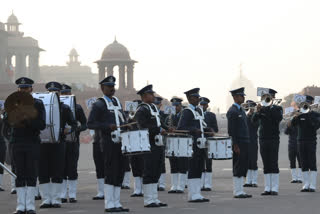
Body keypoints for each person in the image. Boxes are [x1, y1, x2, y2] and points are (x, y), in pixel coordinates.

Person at [87, 76, 129, 212]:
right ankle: (109, 203)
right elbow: (91, 123)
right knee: (111, 171)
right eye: (108, 86)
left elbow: (121, 119)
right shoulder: (99, 104)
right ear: (102, 88)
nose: (112, 89)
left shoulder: (116, 101)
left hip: (121, 142)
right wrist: (107, 126)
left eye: (113, 86)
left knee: (120, 171)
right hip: (108, 142)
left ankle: (117, 202)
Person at [7, 77, 46, 214]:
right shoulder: (11, 104)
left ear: (31, 89)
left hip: (32, 142)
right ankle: (20, 206)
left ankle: (29, 206)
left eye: (26, 88)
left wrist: (27, 119)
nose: (23, 90)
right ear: (18, 89)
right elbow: (6, 124)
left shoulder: (38, 104)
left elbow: (42, 125)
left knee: (31, 173)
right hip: (17, 142)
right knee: (19, 174)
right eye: (21, 88)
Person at [39, 82, 77, 209]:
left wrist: (69, 130)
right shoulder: (41, 106)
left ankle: (56, 199)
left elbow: (74, 124)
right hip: (43, 143)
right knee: (43, 171)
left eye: (56, 92)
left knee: (57, 170)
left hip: (59, 142)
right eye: (51, 92)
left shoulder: (65, 108)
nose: (53, 94)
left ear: (59, 94)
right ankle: (45, 199)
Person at [134, 85, 168, 208]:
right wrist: (158, 130)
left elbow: (159, 122)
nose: (153, 96)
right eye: (150, 94)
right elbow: (142, 126)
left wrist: (167, 128)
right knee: (149, 170)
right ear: (144, 96)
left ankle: (155, 198)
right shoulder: (141, 110)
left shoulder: (153, 107)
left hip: (158, 143)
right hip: (148, 144)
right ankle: (148, 199)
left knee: (157, 170)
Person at [177, 88, 211, 202]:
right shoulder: (187, 111)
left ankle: (197, 193)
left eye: (198, 97)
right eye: (196, 97)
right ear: (190, 98)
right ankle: (192, 194)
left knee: (199, 168)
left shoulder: (199, 110)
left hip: (200, 143)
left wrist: (208, 129)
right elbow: (181, 127)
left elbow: (202, 125)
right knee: (193, 168)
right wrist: (193, 130)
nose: (198, 99)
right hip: (192, 144)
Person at [252, 88, 283, 196]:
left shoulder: (278, 108)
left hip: (274, 138)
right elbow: (253, 120)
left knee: (273, 162)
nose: (267, 99)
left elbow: (278, 118)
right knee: (266, 163)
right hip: (263, 138)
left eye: (269, 97)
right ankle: (267, 188)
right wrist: (258, 111)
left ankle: (274, 188)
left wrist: (270, 107)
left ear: (273, 98)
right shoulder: (261, 109)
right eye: (265, 98)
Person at [60, 84, 87, 203]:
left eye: (67, 93)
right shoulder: (57, 107)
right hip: (60, 141)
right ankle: (62, 194)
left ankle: (72, 194)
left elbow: (85, 124)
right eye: (63, 94)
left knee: (72, 168)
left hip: (73, 141)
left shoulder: (77, 107)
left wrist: (75, 130)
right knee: (61, 168)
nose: (65, 96)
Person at [291, 95, 320, 192]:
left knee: (312, 162)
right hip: (300, 141)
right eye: (305, 103)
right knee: (303, 163)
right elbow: (292, 125)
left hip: (311, 141)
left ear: (311, 103)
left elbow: (315, 126)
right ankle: (306, 184)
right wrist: (295, 116)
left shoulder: (315, 115)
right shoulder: (300, 114)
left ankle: (312, 185)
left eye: (308, 103)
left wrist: (309, 115)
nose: (306, 105)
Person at [227, 87, 252, 199]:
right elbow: (231, 131)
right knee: (238, 165)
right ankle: (237, 191)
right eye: (241, 96)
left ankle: (241, 190)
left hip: (245, 141)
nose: (243, 98)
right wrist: (235, 144)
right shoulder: (232, 111)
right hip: (239, 143)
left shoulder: (241, 110)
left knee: (243, 166)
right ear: (235, 97)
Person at [167, 98, 188, 194]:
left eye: (177, 106)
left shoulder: (185, 115)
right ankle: (174, 185)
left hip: (182, 141)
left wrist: (177, 129)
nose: (175, 108)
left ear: (180, 106)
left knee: (182, 164)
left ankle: (181, 186)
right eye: (173, 106)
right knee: (173, 164)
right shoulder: (169, 117)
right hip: (172, 141)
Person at [199, 97, 218, 191]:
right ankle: (201, 184)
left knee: (208, 162)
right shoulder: (195, 114)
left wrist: (212, 131)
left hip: (208, 141)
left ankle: (208, 184)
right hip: (199, 140)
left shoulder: (211, 115)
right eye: (201, 104)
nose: (202, 106)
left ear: (207, 105)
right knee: (200, 162)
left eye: (204, 105)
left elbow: (216, 129)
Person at [128, 99, 144, 197]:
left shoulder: (142, 115)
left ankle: (142, 189)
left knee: (142, 166)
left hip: (141, 143)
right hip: (132, 143)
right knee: (134, 166)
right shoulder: (130, 117)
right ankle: (137, 189)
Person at [284, 104, 302, 184]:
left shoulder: (299, 123)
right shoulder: (289, 123)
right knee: (292, 161)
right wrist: (288, 126)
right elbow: (286, 132)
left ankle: (300, 177)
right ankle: (294, 178)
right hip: (291, 145)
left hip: (299, 144)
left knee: (300, 161)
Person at [243, 100, 259, 188]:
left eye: (250, 107)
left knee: (253, 161)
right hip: (245, 141)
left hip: (253, 140)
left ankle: (254, 181)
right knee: (247, 161)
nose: (249, 109)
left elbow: (256, 125)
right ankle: (248, 180)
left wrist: (251, 115)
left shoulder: (255, 117)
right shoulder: (244, 116)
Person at [154, 96, 167, 191]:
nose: (156, 106)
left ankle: (161, 183)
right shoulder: (151, 113)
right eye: (155, 104)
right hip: (152, 139)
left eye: (157, 104)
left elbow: (164, 124)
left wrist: (168, 128)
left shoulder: (163, 114)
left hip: (161, 139)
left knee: (161, 162)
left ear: (160, 105)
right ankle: (155, 182)